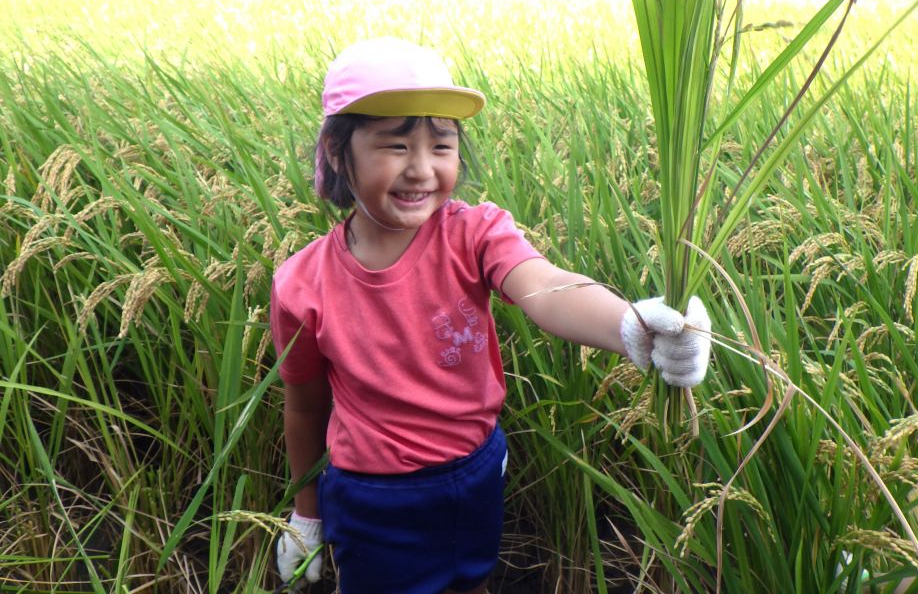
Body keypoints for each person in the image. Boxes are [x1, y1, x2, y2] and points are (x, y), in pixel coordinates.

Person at [269, 36, 713, 594]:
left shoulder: (473, 233)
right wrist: (307, 515)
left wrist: (632, 326)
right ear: (337, 152)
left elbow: (545, 286)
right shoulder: (301, 285)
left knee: (472, 581)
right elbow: (305, 409)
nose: (422, 169)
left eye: (442, 145)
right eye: (396, 146)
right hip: (375, 497)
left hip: (476, 472)